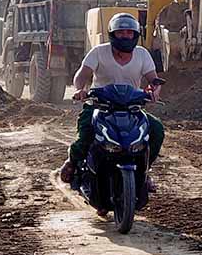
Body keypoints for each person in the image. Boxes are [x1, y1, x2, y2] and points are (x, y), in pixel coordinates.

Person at [59, 13, 165, 204]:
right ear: (112, 34)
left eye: (129, 32)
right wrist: (80, 90)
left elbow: (153, 79)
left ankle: (144, 171)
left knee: (156, 130)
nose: (125, 36)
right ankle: (73, 163)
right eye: (121, 32)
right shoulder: (99, 52)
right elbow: (81, 75)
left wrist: (154, 91)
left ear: (136, 35)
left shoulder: (142, 54)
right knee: (86, 134)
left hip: (132, 108)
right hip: (100, 106)